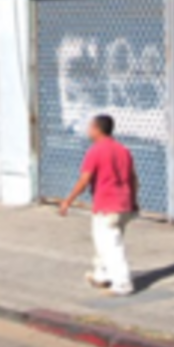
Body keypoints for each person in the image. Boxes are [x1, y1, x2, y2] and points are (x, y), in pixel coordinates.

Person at [56, 114, 139, 296]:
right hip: (124, 204)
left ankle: (122, 283)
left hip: (106, 205)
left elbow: (84, 179)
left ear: (97, 129)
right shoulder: (123, 150)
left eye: (89, 127)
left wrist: (68, 201)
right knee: (104, 241)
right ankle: (102, 275)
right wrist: (134, 201)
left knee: (111, 245)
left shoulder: (95, 151)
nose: (87, 130)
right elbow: (133, 178)